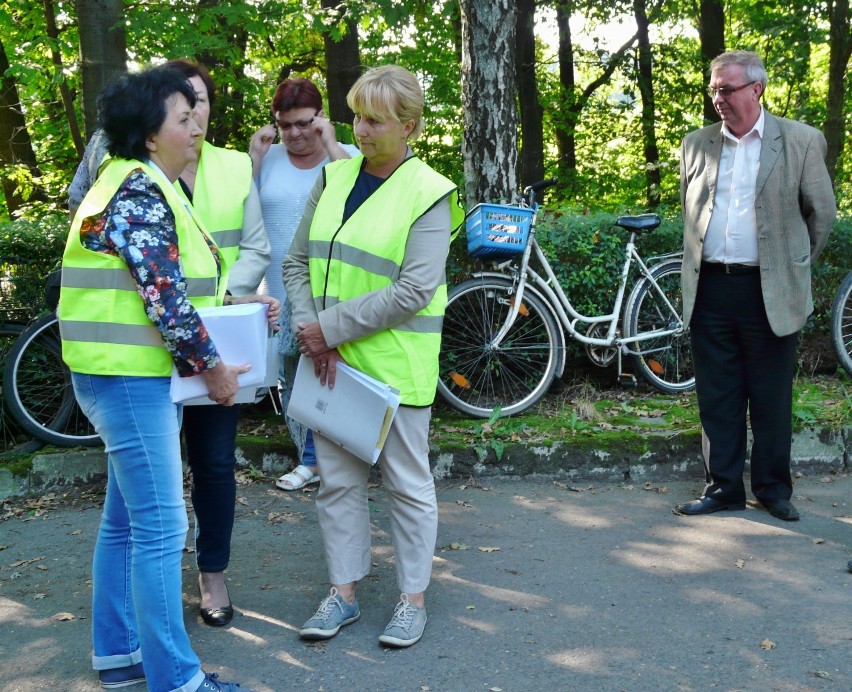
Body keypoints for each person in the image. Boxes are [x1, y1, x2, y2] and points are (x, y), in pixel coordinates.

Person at [58, 65, 277, 691]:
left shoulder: (130, 182)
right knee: (161, 529)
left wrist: (240, 310)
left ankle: (121, 661)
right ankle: (176, 680)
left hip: (119, 375)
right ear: (151, 134)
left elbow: (173, 289)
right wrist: (213, 369)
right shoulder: (139, 189)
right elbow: (165, 299)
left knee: (127, 523)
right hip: (130, 379)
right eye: (183, 118)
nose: (195, 126)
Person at [283, 65, 464, 648]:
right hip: (330, 362)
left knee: (408, 486)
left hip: (393, 368)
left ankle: (412, 601)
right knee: (336, 483)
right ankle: (344, 594)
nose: (359, 129)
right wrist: (312, 328)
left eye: (375, 120)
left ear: (408, 126)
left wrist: (325, 330)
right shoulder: (332, 180)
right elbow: (295, 262)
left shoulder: (429, 192)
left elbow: (413, 290)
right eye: (358, 115)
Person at [674, 50, 836, 521]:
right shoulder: (696, 144)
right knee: (717, 395)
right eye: (713, 89)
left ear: (756, 89)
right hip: (711, 290)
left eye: (726, 89)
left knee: (770, 396)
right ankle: (722, 486)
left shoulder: (801, 141)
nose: (717, 98)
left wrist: (795, 264)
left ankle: (771, 488)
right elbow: (690, 214)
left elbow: (821, 215)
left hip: (771, 289)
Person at [165, 59, 270, 629]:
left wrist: (228, 296)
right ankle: (155, 578)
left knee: (213, 463)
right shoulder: (139, 169)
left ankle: (213, 574)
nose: (195, 112)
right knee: (157, 469)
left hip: (218, 341)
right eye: (183, 103)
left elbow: (256, 245)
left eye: (201, 100)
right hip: (154, 344)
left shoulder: (233, 167)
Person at [248, 78, 358, 491]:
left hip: (329, 281)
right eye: (285, 124)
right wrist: (255, 160)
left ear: (322, 118)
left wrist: (332, 146)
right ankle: (311, 457)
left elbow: (356, 199)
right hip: (278, 281)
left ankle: (321, 459)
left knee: (325, 367)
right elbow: (246, 212)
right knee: (292, 372)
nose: (295, 133)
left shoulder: (344, 157)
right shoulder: (268, 156)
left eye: (304, 123)